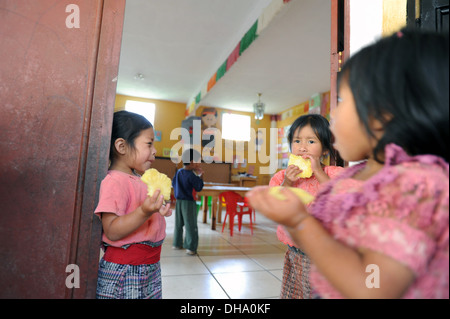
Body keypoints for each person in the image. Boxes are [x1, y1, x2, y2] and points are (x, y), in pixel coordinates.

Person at [247, 28, 449, 298]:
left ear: (383, 114)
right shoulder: (356, 175)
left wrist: (300, 222)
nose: (333, 113)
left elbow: (373, 286)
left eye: (341, 100)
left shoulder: (414, 185)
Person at [94, 110, 172, 299]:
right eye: (149, 143)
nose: (154, 151)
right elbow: (112, 230)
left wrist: (156, 211)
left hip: (149, 266)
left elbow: (140, 213)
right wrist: (145, 211)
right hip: (125, 271)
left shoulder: (139, 179)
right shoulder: (114, 181)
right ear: (122, 146)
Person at [269, 114, 344, 299]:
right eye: (297, 141)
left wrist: (318, 171)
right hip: (294, 249)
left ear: (325, 148)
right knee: (294, 292)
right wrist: (287, 182)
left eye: (311, 141)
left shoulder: (334, 174)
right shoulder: (281, 177)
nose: (302, 147)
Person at [172, 148, 204, 255]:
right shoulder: (192, 175)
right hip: (188, 203)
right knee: (191, 224)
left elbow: (173, 183)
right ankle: (191, 247)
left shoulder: (179, 172)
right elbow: (199, 187)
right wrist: (200, 176)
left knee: (178, 223)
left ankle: (177, 243)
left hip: (178, 202)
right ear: (191, 162)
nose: (199, 163)